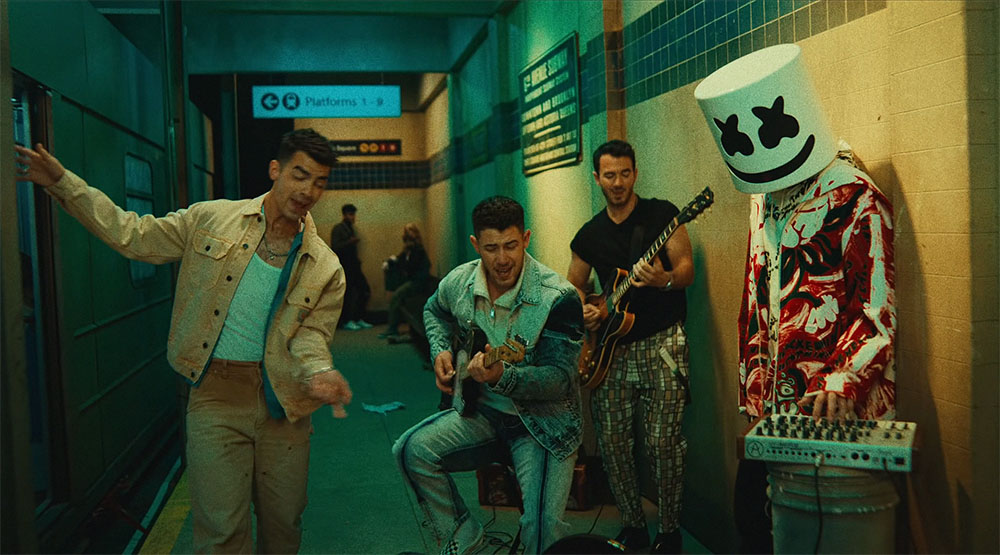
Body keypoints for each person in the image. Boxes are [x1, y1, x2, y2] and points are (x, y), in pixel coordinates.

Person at [14, 129, 354, 554]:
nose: (308, 191)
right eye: (300, 175)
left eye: (320, 182)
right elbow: (133, 235)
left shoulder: (325, 266)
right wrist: (64, 184)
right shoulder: (211, 219)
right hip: (216, 397)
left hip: (285, 404)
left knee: (283, 525)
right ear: (275, 170)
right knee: (220, 532)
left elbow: (311, 334)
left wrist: (320, 370)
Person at [694, 44, 896, 553]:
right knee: (755, 524)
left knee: (819, 537)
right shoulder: (763, 197)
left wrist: (844, 380)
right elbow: (755, 296)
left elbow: (877, 310)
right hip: (773, 411)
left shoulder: (855, 196)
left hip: (833, 411)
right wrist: (752, 390)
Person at [392, 196, 585, 555]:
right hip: (479, 412)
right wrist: (441, 351)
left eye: (511, 245)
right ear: (475, 244)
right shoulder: (460, 281)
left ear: (526, 239)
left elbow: (560, 379)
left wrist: (502, 377)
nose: (502, 259)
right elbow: (434, 310)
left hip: (541, 425)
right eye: (491, 248)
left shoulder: (558, 297)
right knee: (409, 450)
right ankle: (464, 533)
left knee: (542, 530)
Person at [567, 140, 695, 554]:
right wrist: (585, 309)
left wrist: (664, 280)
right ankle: (632, 526)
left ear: (635, 173)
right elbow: (573, 287)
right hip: (612, 352)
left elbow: (687, 269)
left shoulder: (662, 215)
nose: (618, 182)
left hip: (662, 343)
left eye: (625, 173)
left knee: (663, 443)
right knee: (613, 443)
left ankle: (670, 531)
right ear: (597, 178)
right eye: (610, 175)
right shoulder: (589, 235)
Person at [379, 222, 431, 342]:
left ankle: (392, 328)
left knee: (397, 296)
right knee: (397, 293)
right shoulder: (408, 250)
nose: (407, 234)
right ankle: (393, 326)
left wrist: (399, 262)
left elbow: (410, 267)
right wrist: (390, 262)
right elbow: (399, 259)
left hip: (418, 283)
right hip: (412, 281)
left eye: (410, 231)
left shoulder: (418, 250)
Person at [330, 203, 372, 330]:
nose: (353, 217)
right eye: (350, 214)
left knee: (364, 290)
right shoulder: (338, 228)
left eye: (353, 215)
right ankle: (347, 320)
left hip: (354, 266)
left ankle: (358, 318)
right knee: (347, 294)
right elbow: (335, 247)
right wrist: (350, 242)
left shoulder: (349, 228)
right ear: (344, 215)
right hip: (345, 267)